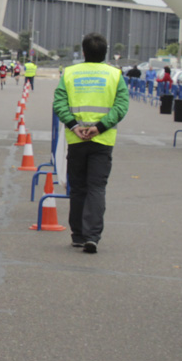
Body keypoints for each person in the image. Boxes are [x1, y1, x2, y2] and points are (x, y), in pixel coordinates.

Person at [52, 33, 129, 254]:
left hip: (76, 139)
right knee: (97, 188)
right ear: (105, 52)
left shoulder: (69, 73)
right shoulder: (115, 75)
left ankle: (77, 235)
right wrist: (99, 127)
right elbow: (121, 106)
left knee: (78, 188)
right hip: (102, 140)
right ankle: (92, 236)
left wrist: (74, 125)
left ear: (83, 52)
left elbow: (59, 102)